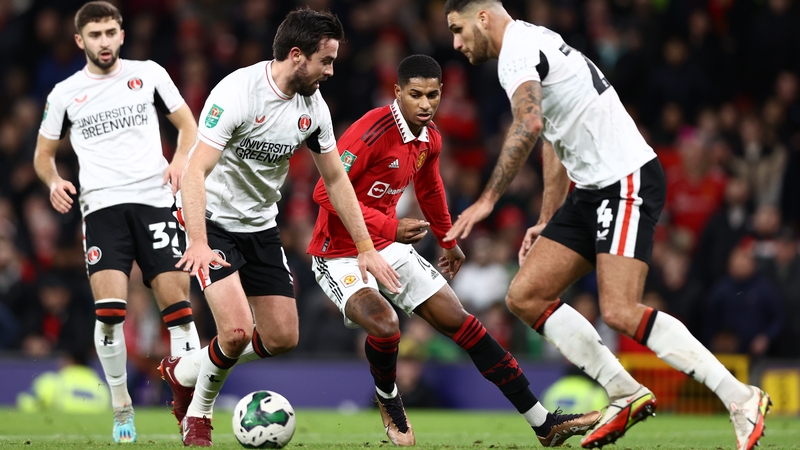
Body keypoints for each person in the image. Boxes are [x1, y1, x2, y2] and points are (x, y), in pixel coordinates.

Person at [442, 2, 770, 449]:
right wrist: (545, 217)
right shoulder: (533, 43)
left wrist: (486, 200)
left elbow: (530, 123)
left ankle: (741, 397)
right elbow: (553, 138)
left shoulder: (517, 51)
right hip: (591, 189)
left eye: (458, 30)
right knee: (525, 295)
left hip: (624, 178)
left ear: (482, 16)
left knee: (619, 309)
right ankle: (624, 391)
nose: (456, 43)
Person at [307, 54, 600, 447]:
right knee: (385, 324)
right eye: (415, 95)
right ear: (397, 92)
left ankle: (543, 423)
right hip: (338, 253)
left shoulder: (430, 138)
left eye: (432, 95)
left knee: (463, 323)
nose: (425, 104)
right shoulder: (370, 132)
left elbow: (429, 189)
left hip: (387, 247)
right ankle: (389, 400)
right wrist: (390, 226)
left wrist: (448, 240)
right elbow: (324, 191)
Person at [158, 8, 400, 447]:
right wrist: (197, 240)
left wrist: (365, 245)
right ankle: (199, 412)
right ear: (296, 55)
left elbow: (335, 178)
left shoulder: (314, 109)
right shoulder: (237, 93)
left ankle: (184, 370)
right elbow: (195, 172)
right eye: (325, 60)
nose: (330, 70)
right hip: (211, 221)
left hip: (260, 226)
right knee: (233, 332)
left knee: (282, 337)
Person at [33, 1, 201, 443]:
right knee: (109, 313)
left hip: (154, 201)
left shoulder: (149, 74)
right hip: (102, 208)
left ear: (122, 35)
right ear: (79, 40)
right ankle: (121, 405)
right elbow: (42, 156)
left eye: (110, 33)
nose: (104, 42)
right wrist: (52, 181)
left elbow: (188, 126)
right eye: (95, 35)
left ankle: (187, 407)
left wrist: (181, 160)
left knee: (179, 312)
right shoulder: (65, 93)